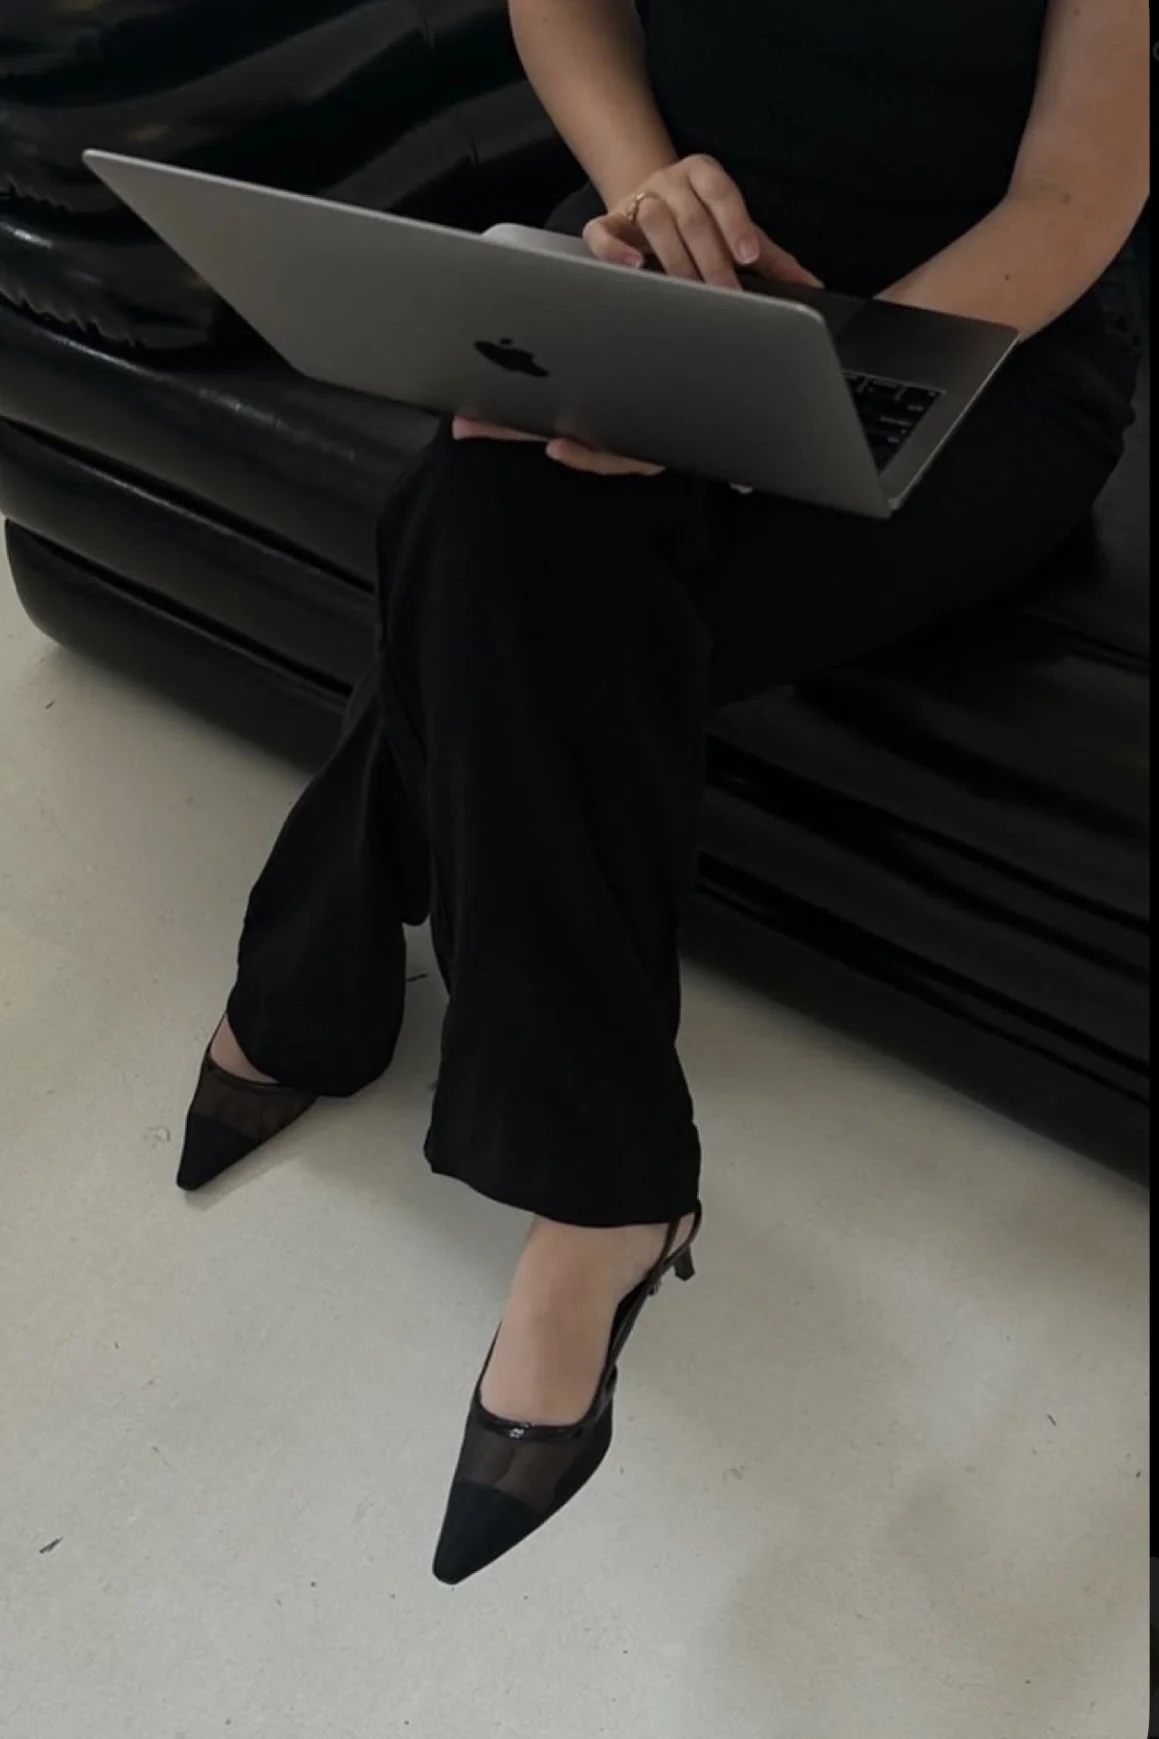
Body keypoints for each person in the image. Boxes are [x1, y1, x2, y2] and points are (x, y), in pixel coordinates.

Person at [177, 0, 1149, 1584]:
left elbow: (1072, 198)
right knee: (495, 512)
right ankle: (592, 1173)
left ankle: (356, 1001)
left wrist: (787, 394)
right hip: (665, 263)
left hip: (969, 346)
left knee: (494, 539)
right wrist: (650, 197)